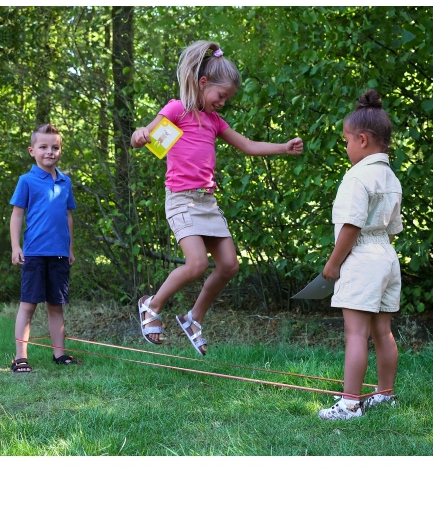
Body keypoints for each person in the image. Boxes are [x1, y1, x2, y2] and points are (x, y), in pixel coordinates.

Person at [131, 40, 303, 356]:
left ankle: (193, 317)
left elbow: (248, 145)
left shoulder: (214, 121)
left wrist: (283, 147)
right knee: (196, 263)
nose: (222, 103)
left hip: (207, 202)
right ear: (203, 83)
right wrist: (141, 133)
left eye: (227, 99)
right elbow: (144, 137)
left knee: (229, 265)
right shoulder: (176, 110)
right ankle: (152, 305)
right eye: (220, 96)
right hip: (181, 199)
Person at [318, 89, 402, 420]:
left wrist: (333, 263)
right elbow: (393, 226)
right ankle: (385, 394)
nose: (347, 147)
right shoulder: (390, 177)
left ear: (363, 140)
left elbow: (351, 227)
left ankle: (350, 403)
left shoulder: (357, 177)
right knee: (383, 331)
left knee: (356, 333)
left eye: (347, 141)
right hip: (386, 255)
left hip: (362, 256)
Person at [9, 124, 78, 372]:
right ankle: (20, 357)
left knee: (55, 305)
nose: (50, 152)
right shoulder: (26, 181)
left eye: (55, 147)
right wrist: (16, 246)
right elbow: (17, 215)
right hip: (34, 254)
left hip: (59, 254)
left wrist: (70, 247)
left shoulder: (65, 182)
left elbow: (68, 216)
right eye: (44, 147)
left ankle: (59, 354)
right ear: (32, 150)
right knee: (28, 305)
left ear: (60, 150)